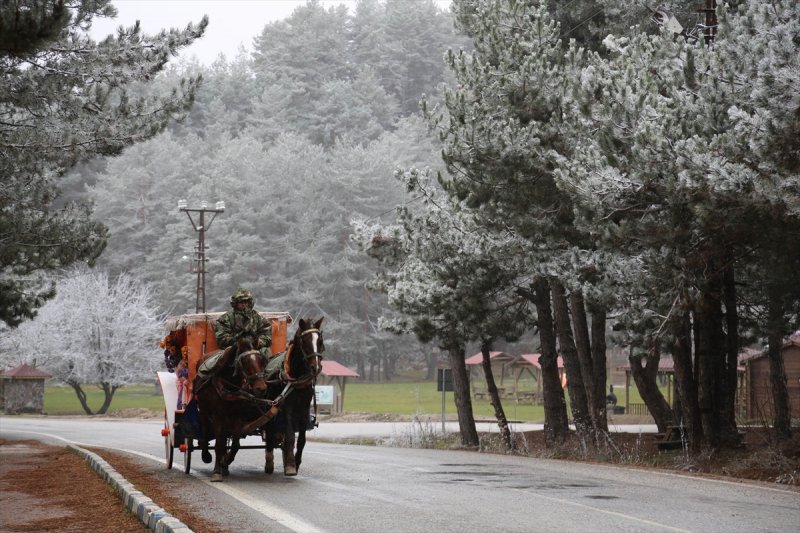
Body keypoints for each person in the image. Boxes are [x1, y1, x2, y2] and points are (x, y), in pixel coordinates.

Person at [214, 288, 272, 359]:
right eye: (241, 302)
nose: (244, 304)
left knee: (266, 352)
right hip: (234, 349)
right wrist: (238, 342)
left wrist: (258, 342)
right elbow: (221, 338)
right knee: (224, 359)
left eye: (246, 302)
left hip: (256, 349)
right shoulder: (226, 318)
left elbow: (267, 335)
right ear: (235, 303)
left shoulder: (258, 318)